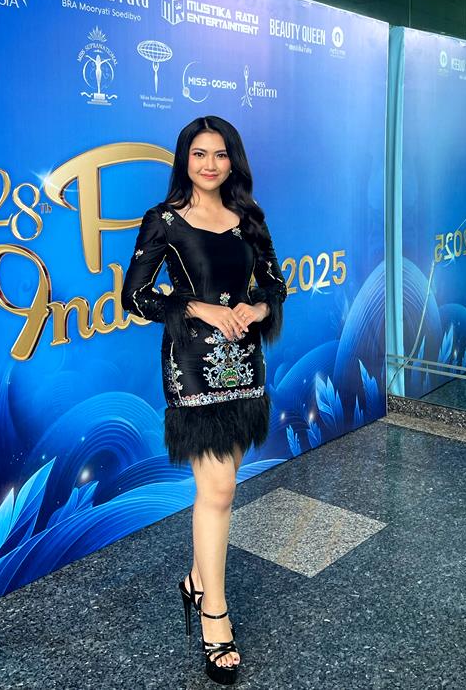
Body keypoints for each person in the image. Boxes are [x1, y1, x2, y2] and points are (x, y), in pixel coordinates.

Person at [120, 115, 288, 684]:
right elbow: (135, 297)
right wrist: (198, 307)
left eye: (220, 154)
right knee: (216, 491)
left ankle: (196, 580)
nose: (210, 164)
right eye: (199, 154)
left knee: (224, 485)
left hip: (245, 363)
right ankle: (215, 616)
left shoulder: (249, 218)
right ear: (184, 160)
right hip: (191, 365)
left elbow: (274, 285)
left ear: (232, 160)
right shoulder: (164, 221)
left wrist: (254, 309)